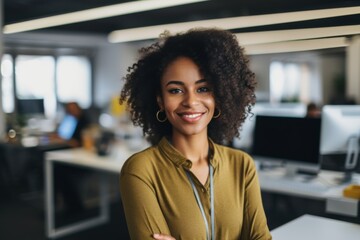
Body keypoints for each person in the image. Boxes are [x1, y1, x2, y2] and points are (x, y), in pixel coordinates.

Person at [119, 28, 272, 240]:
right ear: (160, 101)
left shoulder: (242, 165)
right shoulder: (142, 170)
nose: (190, 101)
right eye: (175, 90)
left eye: (203, 89)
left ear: (219, 96)